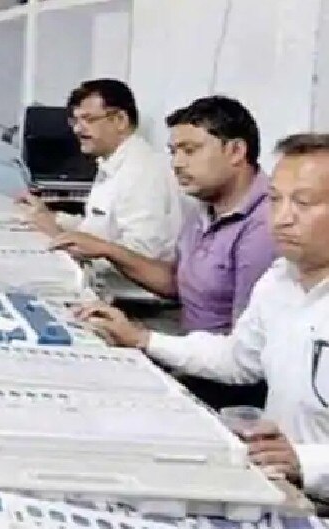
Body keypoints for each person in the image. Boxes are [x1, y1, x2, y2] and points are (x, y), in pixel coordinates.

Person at [76, 133, 329, 497]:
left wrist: (305, 461)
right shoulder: (279, 281)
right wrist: (143, 339)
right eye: (275, 200)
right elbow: (237, 359)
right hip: (279, 483)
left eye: (303, 203)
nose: (282, 218)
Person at [51, 96, 277, 409]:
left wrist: (142, 338)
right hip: (191, 356)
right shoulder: (205, 206)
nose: (177, 163)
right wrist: (106, 249)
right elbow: (176, 283)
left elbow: (243, 358)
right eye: (174, 152)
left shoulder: (265, 225)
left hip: (227, 386)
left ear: (236, 151)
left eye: (190, 150)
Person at [17, 79, 185, 262]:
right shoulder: (113, 162)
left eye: (88, 119)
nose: (77, 129)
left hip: (120, 281)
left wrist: (56, 234)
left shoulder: (142, 172)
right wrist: (51, 217)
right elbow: (96, 231)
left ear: (120, 120)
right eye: (75, 120)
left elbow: (139, 258)